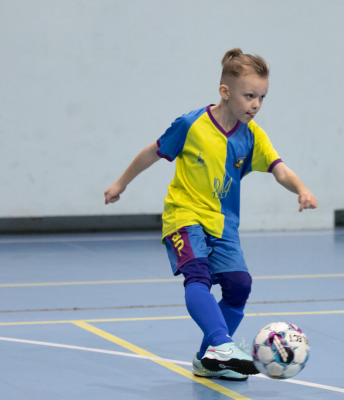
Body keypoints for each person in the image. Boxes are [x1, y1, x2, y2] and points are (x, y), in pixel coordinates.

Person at [104, 48, 318, 381]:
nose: (256, 105)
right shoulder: (191, 125)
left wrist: (301, 189)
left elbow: (280, 170)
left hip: (223, 224)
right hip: (184, 215)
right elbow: (152, 152)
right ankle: (222, 345)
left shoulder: (253, 136)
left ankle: (209, 359)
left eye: (262, 97)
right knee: (198, 276)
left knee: (239, 286)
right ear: (225, 92)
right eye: (249, 96)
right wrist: (121, 183)